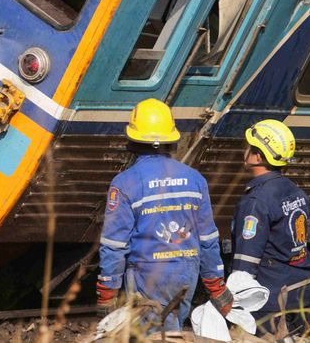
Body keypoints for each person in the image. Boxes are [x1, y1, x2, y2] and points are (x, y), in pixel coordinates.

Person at [96, 98, 233, 332]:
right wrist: (215, 284)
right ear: (172, 139)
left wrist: (107, 291)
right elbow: (208, 239)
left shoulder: (125, 183)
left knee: (150, 335)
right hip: (186, 271)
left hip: (147, 274)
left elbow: (114, 244)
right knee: (172, 331)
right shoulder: (195, 179)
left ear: (133, 140)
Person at [230, 119, 310, 339]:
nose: (245, 150)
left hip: (270, 297)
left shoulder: (257, 200)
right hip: (301, 289)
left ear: (258, 156)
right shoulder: (294, 191)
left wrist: (236, 296)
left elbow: (246, 262)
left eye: (248, 147)